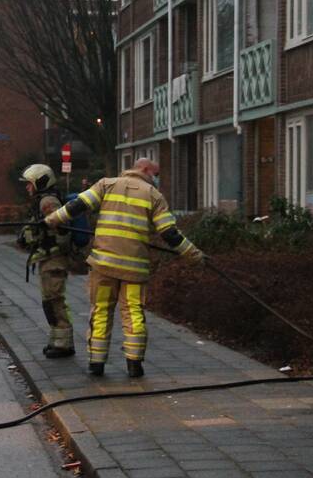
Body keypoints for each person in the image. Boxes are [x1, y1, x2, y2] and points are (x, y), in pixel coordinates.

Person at [44, 158, 205, 378]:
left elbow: (77, 206)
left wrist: (51, 220)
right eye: (156, 174)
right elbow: (170, 234)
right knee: (133, 313)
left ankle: (96, 363)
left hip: (103, 266)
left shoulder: (106, 184)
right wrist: (195, 255)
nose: (157, 178)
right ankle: (134, 364)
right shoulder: (154, 196)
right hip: (134, 270)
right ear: (145, 169)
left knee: (101, 310)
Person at [17, 164, 75, 359]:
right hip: (48, 258)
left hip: (54, 259)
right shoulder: (43, 200)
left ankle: (64, 344)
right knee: (50, 301)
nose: (27, 187)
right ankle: (58, 340)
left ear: (40, 182)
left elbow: (62, 230)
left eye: (29, 183)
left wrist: (38, 235)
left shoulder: (48, 202)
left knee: (54, 301)